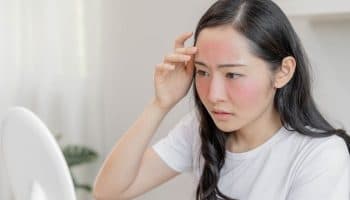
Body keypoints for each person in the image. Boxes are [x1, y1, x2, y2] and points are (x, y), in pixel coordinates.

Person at [93, 0, 350, 199]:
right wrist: (161, 104)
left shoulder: (320, 156)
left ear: (283, 72)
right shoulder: (199, 128)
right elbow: (109, 190)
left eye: (233, 74)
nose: (213, 95)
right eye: (203, 71)